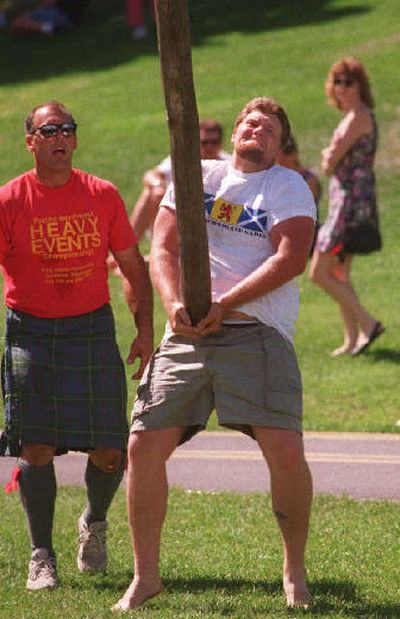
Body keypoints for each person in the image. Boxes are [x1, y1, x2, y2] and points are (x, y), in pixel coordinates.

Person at [113, 97, 316, 613]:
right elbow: (162, 248)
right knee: (142, 446)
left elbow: (291, 257)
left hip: (256, 332)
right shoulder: (197, 174)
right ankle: (146, 577)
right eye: (250, 122)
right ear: (234, 133)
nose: (257, 130)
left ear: (279, 144)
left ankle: (293, 569)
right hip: (187, 335)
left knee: (285, 451)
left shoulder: (287, 186)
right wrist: (175, 303)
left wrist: (226, 303)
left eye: (269, 128)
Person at [0, 101, 153, 591]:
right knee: (37, 444)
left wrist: (145, 329)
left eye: (68, 129)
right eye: (50, 130)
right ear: (31, 142)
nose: (61, 136)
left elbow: (132, 267)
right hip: (32, 329)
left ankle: (94, 521)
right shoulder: (10, 201)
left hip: (90, 328)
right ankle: (41, 555)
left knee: (111, 448)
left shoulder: (102, 195)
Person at [309, 57, 384, 357]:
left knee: (319, 272)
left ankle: (369, 324)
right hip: (347, 200)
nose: (341, 88)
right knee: (339, 273)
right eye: (337, 81)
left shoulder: (357, 118)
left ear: (360, 85)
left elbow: (329, 163)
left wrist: (329, 153)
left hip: (351, 204)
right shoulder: (351, 117)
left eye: (348, 82)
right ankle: (352, 339)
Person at [129, 119, 231, 243]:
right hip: (181, 215)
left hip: (213, 219)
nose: (209, 147)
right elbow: (151, 174)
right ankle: (129, 246)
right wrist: (158, 185)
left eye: (214, 142)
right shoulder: (184, 158)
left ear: (221, 143)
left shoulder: (228, 164)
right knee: (151, 193)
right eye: (204, 142)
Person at [276, 134, 322, 255]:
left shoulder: (308, 180)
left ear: (294, 154)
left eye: (286, 153)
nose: (281, 159)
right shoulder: (277, 178)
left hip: (305, 236)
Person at [1, 0, 89, 36]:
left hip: (61, 15)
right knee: (20, 27)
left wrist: (34, 11)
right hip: (73, 18)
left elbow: (48, 2)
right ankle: (46, 28)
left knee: (16, 24)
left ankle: (49, 28)